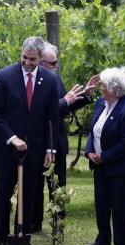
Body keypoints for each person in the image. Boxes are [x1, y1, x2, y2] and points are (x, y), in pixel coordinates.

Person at [0, 36, 59, 245]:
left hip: (34, 149)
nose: (27, 63)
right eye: (24, 58)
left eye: (33, 59)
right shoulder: (5, 76)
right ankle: (0, 238)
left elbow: (52, 117)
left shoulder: (49, 80)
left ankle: (24, 237)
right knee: (4, 192)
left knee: (29, 193)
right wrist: (12, 138)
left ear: (40, 58)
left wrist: (50, 149)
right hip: (7, 148)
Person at [30, 42, 99, 232]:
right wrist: (64, 102)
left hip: (57, 141)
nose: (56, 66)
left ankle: (57, 222)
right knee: (35, 185)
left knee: (58, 185)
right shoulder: (31, 82)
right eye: (52, 63)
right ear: (40, 62)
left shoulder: (55, 80)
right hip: (39, 141)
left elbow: (64, 107)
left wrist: (85, 95)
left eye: (56, 62)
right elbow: (43, 113)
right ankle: (34, 223)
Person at [85, 66, 125, 245]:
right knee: (101, 203)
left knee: (120, 206)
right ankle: (103, 238)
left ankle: (123, 244)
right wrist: (89, 152)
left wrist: (104, 156)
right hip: (99, 166)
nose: (101, 87)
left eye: (104, 85)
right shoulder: (101, 103)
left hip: (120, 168)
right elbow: (92, 131)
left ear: (115, 88)